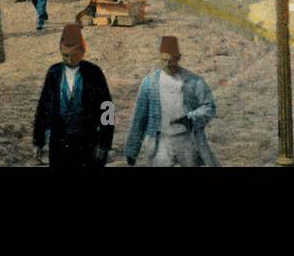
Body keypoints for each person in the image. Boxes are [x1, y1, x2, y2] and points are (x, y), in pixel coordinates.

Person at [124, 35, 218, 167]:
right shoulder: (149, 83)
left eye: (171, 60)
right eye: (163, 60)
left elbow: (209, 107)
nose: (167, 64)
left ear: (178, 58)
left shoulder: (194, 81)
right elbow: (139, 118)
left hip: (187, 140)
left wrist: (190, 118)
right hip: (161, 142)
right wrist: (131, 151)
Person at [32, 23, 113, 168]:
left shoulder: (94, 73)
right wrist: (38, 141)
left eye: (73, 56)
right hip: (59, 142)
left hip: (87, 142)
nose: (69, 60)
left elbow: (107, 109)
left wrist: (104, 143)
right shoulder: (54, 73)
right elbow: (43, 108)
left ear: (82, 52)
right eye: (65, 56)